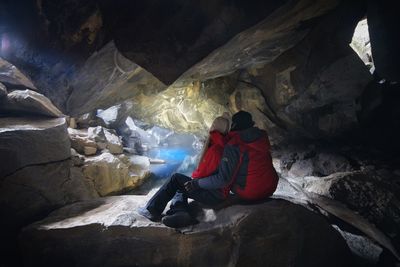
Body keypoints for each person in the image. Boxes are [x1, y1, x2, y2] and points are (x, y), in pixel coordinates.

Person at [138, 111, 278, 228]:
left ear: (234, 127)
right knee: (182, 185)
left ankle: (153, 211)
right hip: (269, 188)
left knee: (178, 180)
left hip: (247, 192)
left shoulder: (233, 145)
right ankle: (178, 211)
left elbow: (223, 179)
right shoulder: (260, 138)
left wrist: (196, 183)